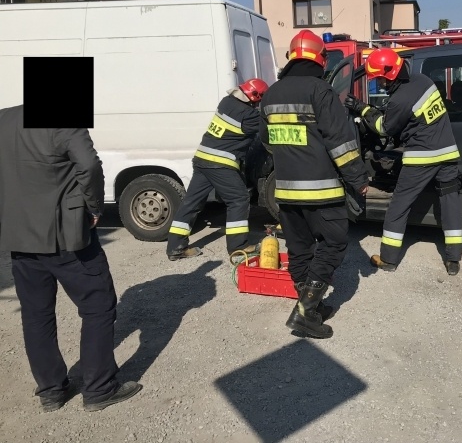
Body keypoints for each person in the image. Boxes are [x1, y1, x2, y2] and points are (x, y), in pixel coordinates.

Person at [0, 105, 142, 412]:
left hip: (21, 235)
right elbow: (89, 165)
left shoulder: (4, 118)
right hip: (66, 235)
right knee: (98, 305)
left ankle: (51, 390)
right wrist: (94, 206)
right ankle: (99, 388)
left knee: (35, 314)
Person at [261, 30, 369, 339]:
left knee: (299, 248)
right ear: (320, 59)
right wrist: (358, 179)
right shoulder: (321, 91)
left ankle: (310, 305)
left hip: (285, 190)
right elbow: (340, 142)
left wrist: (291, 156)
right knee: (334, 242)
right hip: (322, 190)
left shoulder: (271, 94)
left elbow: (267, 141)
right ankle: (306, 313)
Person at [345, 47, 462, 276]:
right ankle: (453, 259)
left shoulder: (399, 99)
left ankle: (388, 259)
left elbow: (384, 128)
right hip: (448, 154)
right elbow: (416, 116)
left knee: (399, 206)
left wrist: (362, 108)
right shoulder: (424, 81)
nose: (379, 84)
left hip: (422, 158)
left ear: (389, 75)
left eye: (379, 79)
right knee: (450, 204)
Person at [166, 78, 268, 261]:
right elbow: (266, 126)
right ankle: (238, 247)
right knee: (239, 199)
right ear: (255, 97)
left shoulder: (226, 102)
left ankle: (176, 247)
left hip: (202, 159)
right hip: (220, 163)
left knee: (191, 202)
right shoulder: (249, 115)